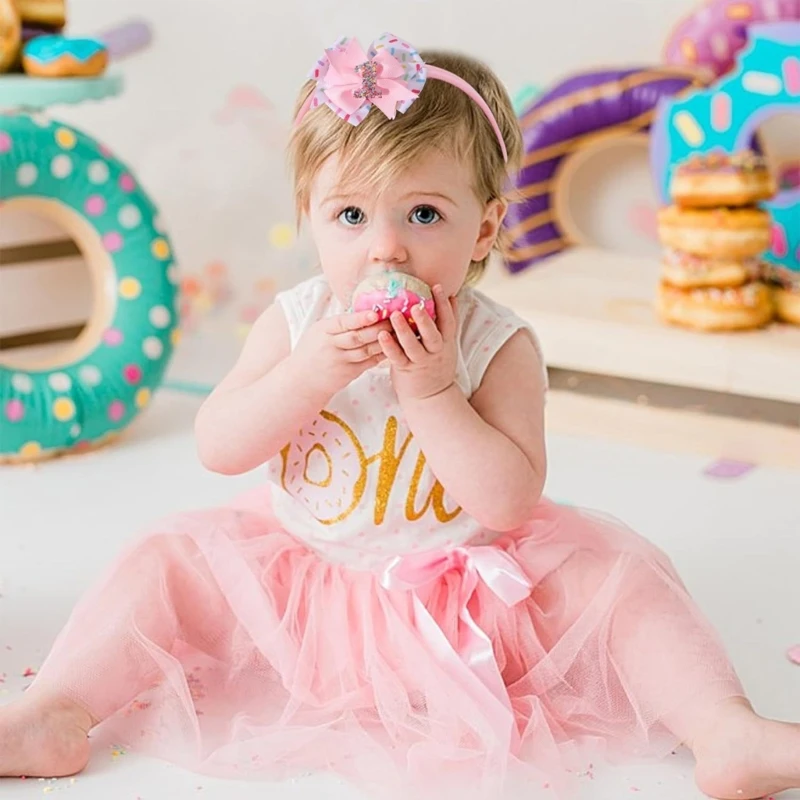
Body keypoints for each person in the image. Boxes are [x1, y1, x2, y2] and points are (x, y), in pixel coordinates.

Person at [2, 33, 799, 800]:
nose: (385, 249)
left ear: (484, 226)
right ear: (311, 215)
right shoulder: (296, 321)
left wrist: (434, 394)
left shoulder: (497, 344)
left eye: (423, 215)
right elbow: (220, 444)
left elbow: (509, 502)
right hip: (300, 597)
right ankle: (56, 713)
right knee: (164, 557)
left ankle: (722, 730)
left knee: (623, 580)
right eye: (351, 216)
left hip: (469, 607)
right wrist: (309, 371)